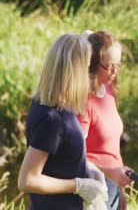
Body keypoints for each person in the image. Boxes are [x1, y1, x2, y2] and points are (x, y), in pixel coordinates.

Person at [18, 33, 108, 210]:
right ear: (74, 70)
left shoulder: (61, 105)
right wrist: (78, 185)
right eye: (87, 67)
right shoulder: (52, 118)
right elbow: (27, 180)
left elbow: (58, 159)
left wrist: (87, 169)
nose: (89, 75)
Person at [77, 30, 132, 210]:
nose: (114, 72)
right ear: (92, 65)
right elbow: (74, 157)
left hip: (113, 185)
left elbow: (112, 147)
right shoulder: (83, 101)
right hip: (94, 188)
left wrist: (119, 186)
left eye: (118, 65)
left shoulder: (108, 91)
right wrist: (111, 173)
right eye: (108, 66)